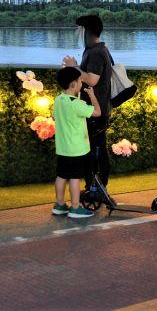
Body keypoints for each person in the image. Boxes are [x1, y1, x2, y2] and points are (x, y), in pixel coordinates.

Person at [62, 15, 113, 187]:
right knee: (94, 148)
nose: (77, 33)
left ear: (86, 31)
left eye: (79, 30)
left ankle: (96, 187)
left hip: (95, 111)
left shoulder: (97, 52)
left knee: (95, 150)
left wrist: (73, 67)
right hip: (94, 109)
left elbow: (92, 80)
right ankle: (95, 186)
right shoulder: (95, 50)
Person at [52, 67, 101, 219]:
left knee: (61, 176)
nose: (82, 83)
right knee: (74, 178)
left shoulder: (59, 99)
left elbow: (54, 117)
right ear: (74, 84)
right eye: (80, 81)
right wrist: (92, 96)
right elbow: (97, 112)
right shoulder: (77, 104)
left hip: (62, 148)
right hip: (77, 149)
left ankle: (59, 205)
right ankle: (75, 207)